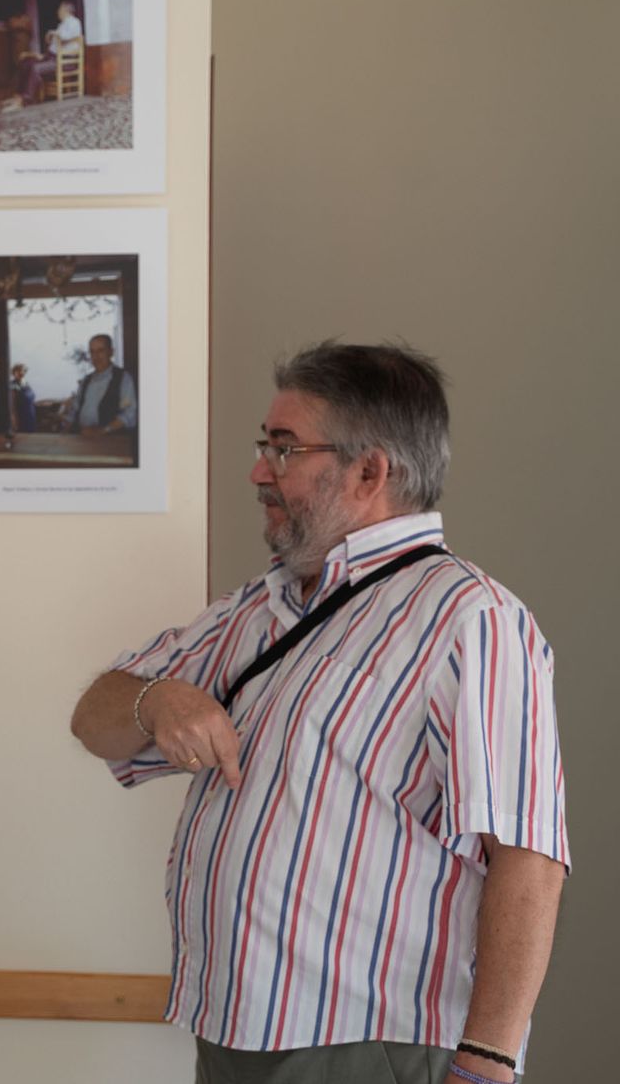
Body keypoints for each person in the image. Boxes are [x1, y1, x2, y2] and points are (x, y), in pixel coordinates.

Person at [70, 343, 568, 1084]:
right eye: (265, 446)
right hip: (232, 1032)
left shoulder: (472, 618)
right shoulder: (261, 607)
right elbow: (94, 718)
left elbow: (528, 856)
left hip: (370, 1045)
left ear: (370, 472)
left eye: (284, 448)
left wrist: (488, 1061)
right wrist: (157, 698)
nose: (259, 471)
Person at [17, 0, 87, 104]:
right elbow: (56, 43)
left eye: (60, 9)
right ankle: (21, 94)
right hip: (53, 58)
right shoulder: (62, 24)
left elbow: (65, 37)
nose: (58, 12)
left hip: (65, 62)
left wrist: (52, 33)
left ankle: (27, 98)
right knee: (27, 63)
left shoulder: (74, 22)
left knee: (35, 68)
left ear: (66, 10)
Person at [68, 334, 137, 434]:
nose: (96, 357)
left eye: (100, 351)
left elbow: (130, 414)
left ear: (111, 352)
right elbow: (75, 409)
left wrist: (103, 430)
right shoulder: (86, 380)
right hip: (83, 438)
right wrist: (66, 427)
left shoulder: (124, 379)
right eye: (92, 352)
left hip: (111, 439)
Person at [10, 363, 37, 433]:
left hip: (31, 416)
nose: (21, 373)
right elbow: (12, 405)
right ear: (14, 373)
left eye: (23, 371)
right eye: (19, 371)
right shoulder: (13, 385)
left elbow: (31, 399)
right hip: (21, 417)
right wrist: (14, 420)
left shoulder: (27, 384)